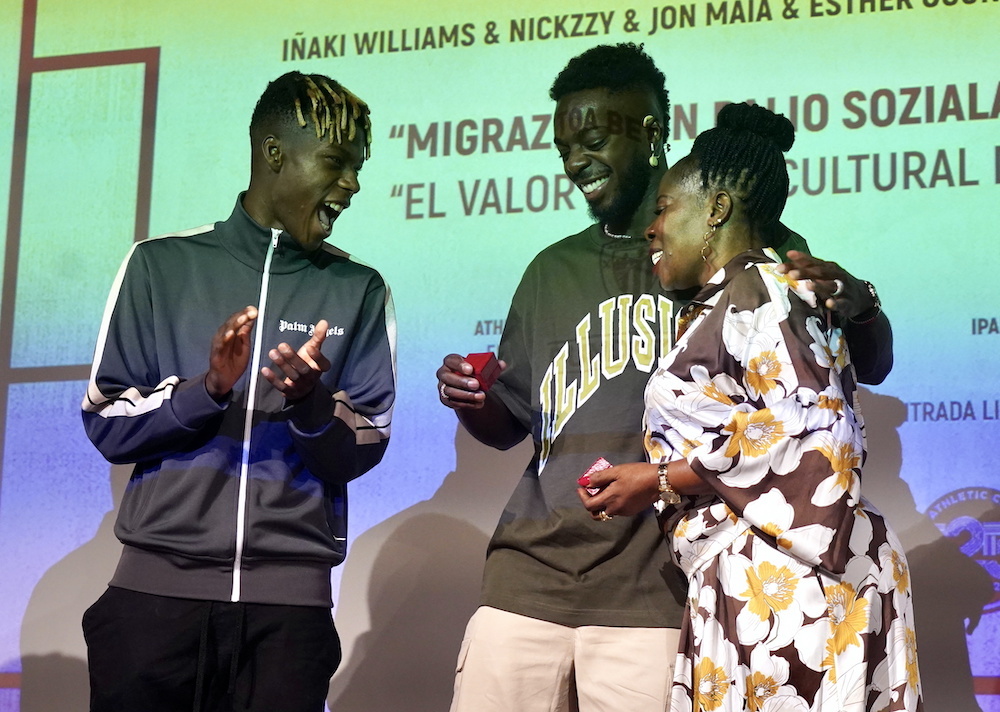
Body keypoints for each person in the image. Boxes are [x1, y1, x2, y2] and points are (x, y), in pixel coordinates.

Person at [437, 43, 893, 712]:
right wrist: (472, 399)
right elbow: (511, 425)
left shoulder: (750, 253)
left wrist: (862, 305)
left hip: (657, 593)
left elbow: (841, 387)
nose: (575, 160)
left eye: (593, 139)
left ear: (652, 133)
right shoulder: (550, 269)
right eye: (564, 146)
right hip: (527, 580)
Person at [578, 102, 922, 711]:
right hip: (760, 576)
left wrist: (659, 479)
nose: (651, 228)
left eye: (663, 208)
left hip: (794, 585)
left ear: (716, 209)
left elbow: (813, 428)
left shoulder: (761, 291)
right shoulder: (728, 300)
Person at [80, 71, 396, 712]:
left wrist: (310, 404)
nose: (352, 184)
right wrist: (208, 389)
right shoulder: (160, 265)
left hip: (288, 620)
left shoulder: (359, 289)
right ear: (274, 152)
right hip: (153, 606)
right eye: (336, 162)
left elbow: (367, 440)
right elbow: (107, 419)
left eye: (358, 168)